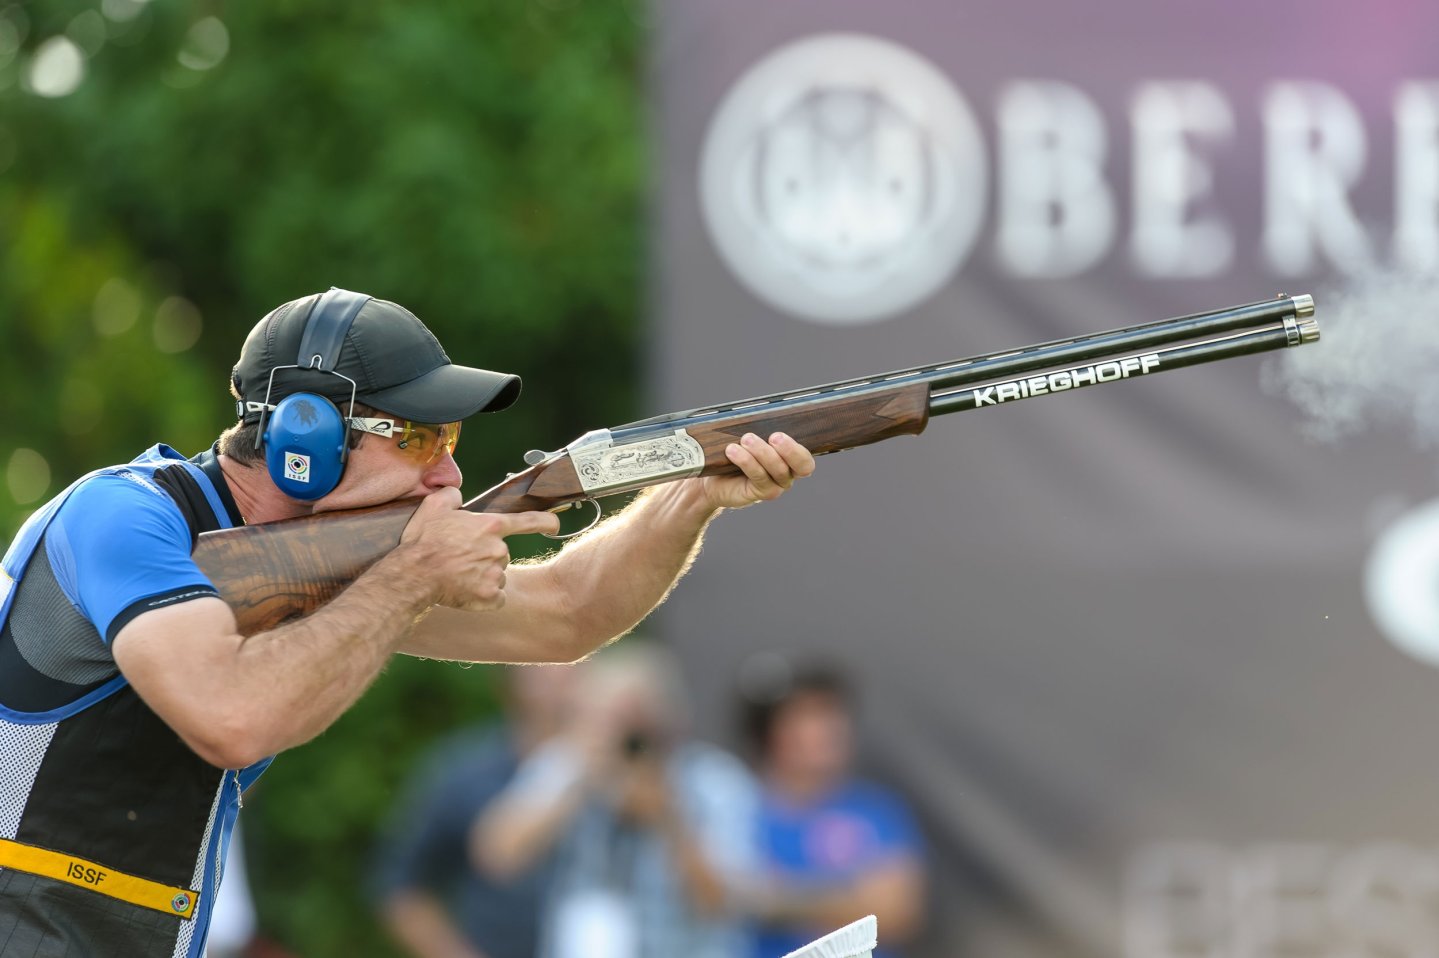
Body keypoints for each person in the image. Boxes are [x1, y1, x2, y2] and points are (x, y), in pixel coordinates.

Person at [0, 288, 814, 958]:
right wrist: (411, 578)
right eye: (421, 438)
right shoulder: (123, 517)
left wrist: (690, 495)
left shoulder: (338, 567)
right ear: (302, 439)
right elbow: (232, 715)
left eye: (450, 437)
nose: (451, 472)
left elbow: (569, 615)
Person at [472, 641, 758, 958]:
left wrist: (668, 818)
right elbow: (497, 856)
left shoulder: (714, 780)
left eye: (636, 722)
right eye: (612, 719)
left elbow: (721, 902)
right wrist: (579, 780)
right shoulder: (567, 763)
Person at [372, 664, 579, 958]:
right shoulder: (463, 770)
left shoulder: (624, 760)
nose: (561, 684)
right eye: (544, 672)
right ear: (509, 682)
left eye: (574, 670)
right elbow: (400, 882)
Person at [739, 660, 926, 958]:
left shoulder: (876, 810)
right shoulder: (734, 809)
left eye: (833, 712)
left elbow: (896, 912)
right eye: (810, 714)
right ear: (768, 731)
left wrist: (775, 899)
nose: (831, 726)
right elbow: (710, 898)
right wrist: (850, 897)